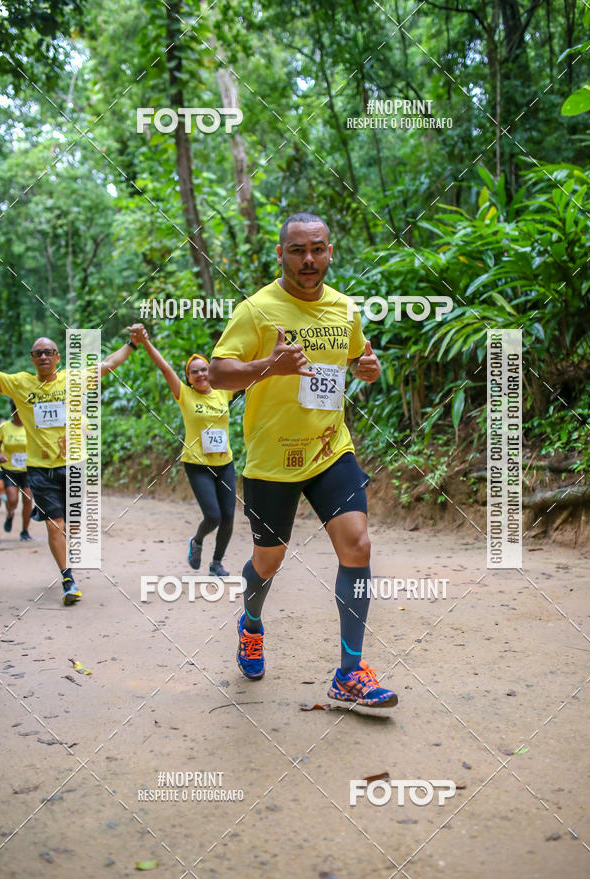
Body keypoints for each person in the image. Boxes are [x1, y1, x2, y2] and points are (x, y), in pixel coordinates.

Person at [208, 211, 397, 708]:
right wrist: (268, 366)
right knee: (268, 561)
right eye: (297, 250)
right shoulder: (256, 310)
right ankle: (251, 624)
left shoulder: (344, 308)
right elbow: (219, 373)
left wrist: (366, 367)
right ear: (281, 254)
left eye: (317, 249)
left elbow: (354, 358)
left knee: (357, 545)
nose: (308, 259)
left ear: (330, 251)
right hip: (273, 460)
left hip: (331, 449)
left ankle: (349, 673)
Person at [0, 327, 144, 605]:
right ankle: (68, 579)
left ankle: (67, 549)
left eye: (48, 352)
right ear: (32, 359)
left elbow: (108, 364)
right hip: (40, 469)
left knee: (72, 525)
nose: (43, 357)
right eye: (38, 353)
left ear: (58, 357)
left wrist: (132, 344)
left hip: (74, 465)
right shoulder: (20, 383)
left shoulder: (73, 380)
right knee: (55, 526)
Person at [135, 325, 236, 576]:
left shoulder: (224, 392)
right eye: (194, 372)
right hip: (197, 465)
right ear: (188, 378)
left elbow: (249, 373)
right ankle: (197, 541)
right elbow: (164, 368)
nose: (200, 374)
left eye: (204, 369)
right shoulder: (185, 395)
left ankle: (216, 563)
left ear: (211, 371)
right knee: (213, 516)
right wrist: (145, 341)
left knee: (228, 516)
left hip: (225, 464)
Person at [0, 400, 34, 539]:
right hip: (10, 470)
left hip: (28, 470)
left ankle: (25, 531)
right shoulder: (4, 427)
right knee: (12, 500)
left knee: (28, 500)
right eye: (17, 412)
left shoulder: (31, 426)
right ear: (13, 412)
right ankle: (10, 514)